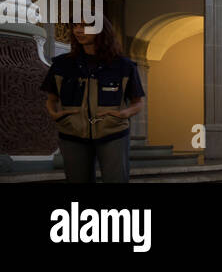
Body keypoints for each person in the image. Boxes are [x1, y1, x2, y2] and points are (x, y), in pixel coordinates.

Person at [41, 17, 145, 183]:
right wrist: (55, 114)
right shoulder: (62, 64)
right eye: (75, 26)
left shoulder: (124, 66)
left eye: (85, 26)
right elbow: (51, 98)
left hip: (113, 132)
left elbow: (138, 102)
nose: (78, 30)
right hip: (72, 132)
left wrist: (123, 114)